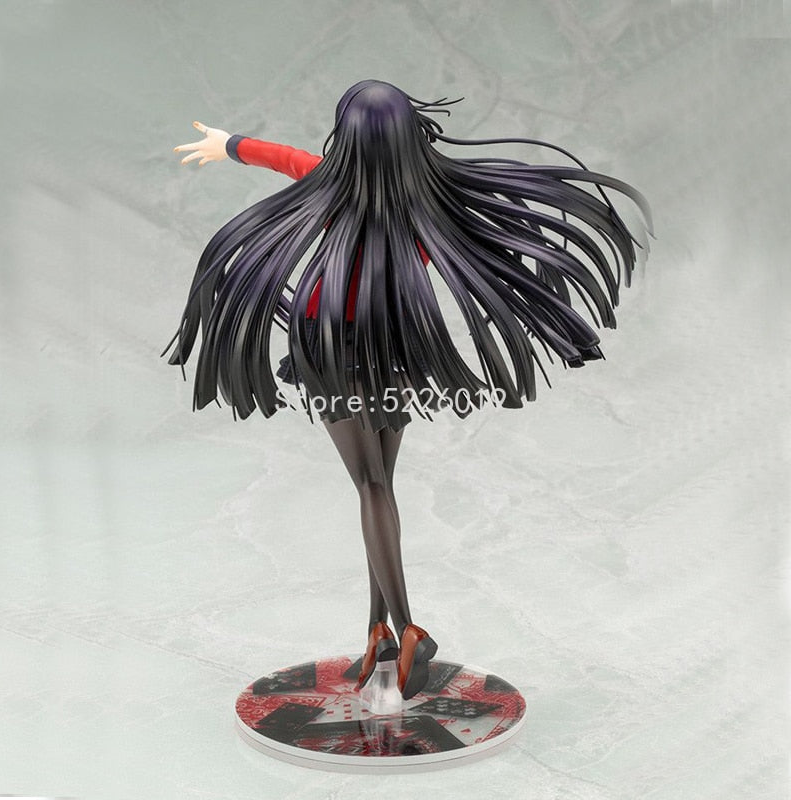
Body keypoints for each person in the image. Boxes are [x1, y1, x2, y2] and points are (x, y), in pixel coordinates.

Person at [165, 79, 652, 700]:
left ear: (346, 139)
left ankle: (407, 626)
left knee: (369, 486)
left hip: (333, 351)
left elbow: (282, 157)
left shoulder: (325, 183)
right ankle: (379, 634)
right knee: (382, 486)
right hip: (396, 348)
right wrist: (231, 143)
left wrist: (228, 144)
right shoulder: (434, 202)